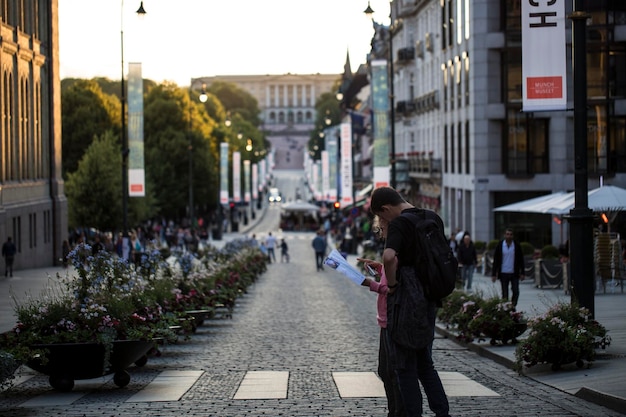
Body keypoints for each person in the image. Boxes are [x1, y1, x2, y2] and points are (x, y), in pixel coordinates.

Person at [370, 186, 450, 417]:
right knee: (425, 365)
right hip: (429, 300)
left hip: (406, 302)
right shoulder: (432, 217)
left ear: (385, 209)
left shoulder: (399, 223)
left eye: (382, 216)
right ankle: (442, 413)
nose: (383, 221)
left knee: (404, 367)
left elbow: (389, 257)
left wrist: (392, 284)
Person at [358, 216, 404, 417]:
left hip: (392, 318)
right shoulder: (389, 256)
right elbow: (389, 275)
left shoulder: (396, 253)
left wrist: (370, 284)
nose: (380, 233)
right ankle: (393, 409)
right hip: (385, 319)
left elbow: (392, 288)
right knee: (385, 370)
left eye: (382, 229)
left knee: (392, 371)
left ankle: (398, 411)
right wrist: (379, 267)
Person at [491, 228, 525, 306]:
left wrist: (522, 272)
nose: (509, 236)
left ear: (513, 236)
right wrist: (493, 274)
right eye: (507, 234)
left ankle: (513, 306)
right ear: (504, 235)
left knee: (516, 291)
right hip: (503, 272)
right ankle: (506, 308)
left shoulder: (516, 246)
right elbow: (496, 260)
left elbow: (521, 260)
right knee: (505, 293)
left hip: (514, 273)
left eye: (510, 234)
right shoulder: (500, 245)